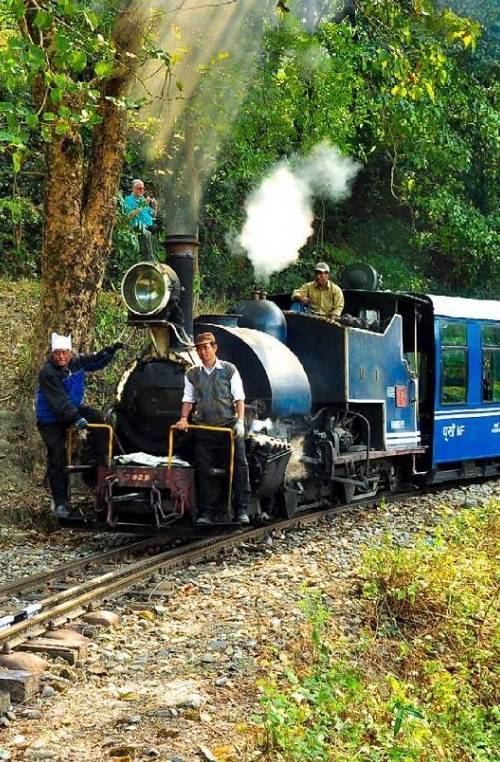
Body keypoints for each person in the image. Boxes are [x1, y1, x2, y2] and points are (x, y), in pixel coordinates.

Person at [36, 333, 125, 518]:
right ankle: (60, 503)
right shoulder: (47, 373)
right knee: (57, 455)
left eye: (64, 352)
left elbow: (95, 360)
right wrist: (76, 418)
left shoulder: (77, 361)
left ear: (70, 352)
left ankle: (103, 460)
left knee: (97, 419)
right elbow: (59, 402)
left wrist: (110, 351)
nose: (61, 356)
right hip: (51, 418)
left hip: (72, 409)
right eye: (57, 353)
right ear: (52, 353)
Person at [173, 332, 251, 525]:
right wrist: (183, 418)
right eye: (199, 349)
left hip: (228, 429)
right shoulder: (192, 374)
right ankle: (207, 512)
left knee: (239, 466)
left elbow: (239, 398)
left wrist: (240, 421)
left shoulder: (229, 370)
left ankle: (241, 509)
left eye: (206, 347)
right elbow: (188, 399)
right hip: (204, 429)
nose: (203, 352)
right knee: (204, 470)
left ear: (214, 348)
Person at [123, 179, 158, 262]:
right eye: (139, 188)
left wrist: (155, 206)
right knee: (147, 234)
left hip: (149, 226)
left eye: (143, 188)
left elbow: (153, 215)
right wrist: (142, 205)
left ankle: (151, 260)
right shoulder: (128, 200)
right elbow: (129, 216)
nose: (142, 191)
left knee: (154, 230)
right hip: (137, 227)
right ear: (133, 188)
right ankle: (150, 261)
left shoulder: (142, 199)